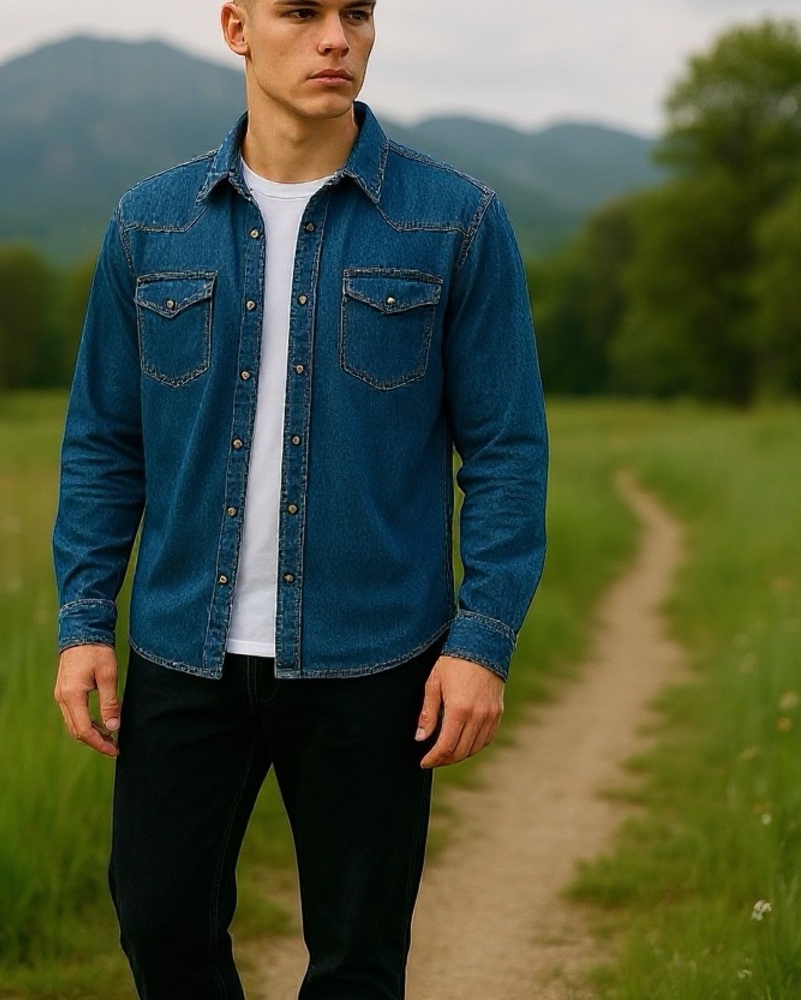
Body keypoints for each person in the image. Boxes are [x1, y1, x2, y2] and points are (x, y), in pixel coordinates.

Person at [52, 1, 548, 997]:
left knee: (357, 958)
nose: (337, 38)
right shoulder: (151, 222)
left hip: (373, 653)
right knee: (158, 919)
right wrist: (82, 620)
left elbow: (504, 451)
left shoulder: (454, 221)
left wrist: (479, 639)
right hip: (182, 647)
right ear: (236, 28)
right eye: (302, 13)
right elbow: (105, 442)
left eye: (356, 13)